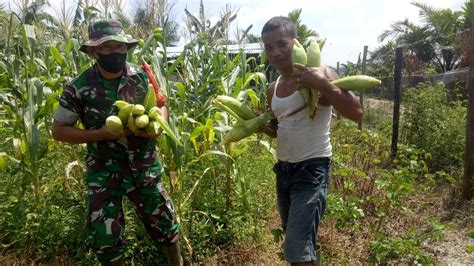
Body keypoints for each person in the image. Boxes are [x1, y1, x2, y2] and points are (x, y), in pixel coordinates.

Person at [51, 19, 182, 266]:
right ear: (93, 51)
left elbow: (162, 105)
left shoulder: (143, 75)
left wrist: (155, 128)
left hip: (144, 169)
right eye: (107, 47)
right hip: (104, 173)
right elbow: (59, 131)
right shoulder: (79, 87)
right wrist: (99, 134)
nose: (116, 52)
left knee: (167, 228)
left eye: (120, 46)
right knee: (106, 240)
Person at [260, 16, 363, 265]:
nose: (275, 52)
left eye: (281, 44)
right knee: (301, 243)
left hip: (312, 170)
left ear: (296, 42)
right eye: (269, 47)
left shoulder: (321, 72)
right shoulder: (273, 88)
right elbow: (281, 128)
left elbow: (356, 112)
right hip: (284, 171)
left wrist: (323, 84)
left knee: (295, 249)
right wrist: (266, 128)